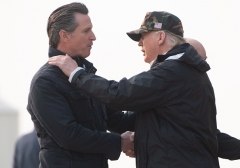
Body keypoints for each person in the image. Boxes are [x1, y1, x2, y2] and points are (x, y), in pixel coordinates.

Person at [49, 11, 220, 167]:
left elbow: (118, 93)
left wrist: (77, 74)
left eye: (143, 36)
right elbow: (148, 122)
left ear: (160, 37)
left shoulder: (172, 72)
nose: (139, 43)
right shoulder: (185, 73)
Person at [27, 2, 135, 168]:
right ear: (65, 36)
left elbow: (117, 119)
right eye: (86, 31)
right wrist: (119, 142)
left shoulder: (85, 76)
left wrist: (158, 109)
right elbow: (69, 135)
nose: (93, 36)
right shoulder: (45, 82)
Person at [185, 38, 240, 160]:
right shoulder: (162, 85)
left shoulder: (199, 93)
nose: (201, 66)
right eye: (195, 60)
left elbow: (209, 137)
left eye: (203, 61)